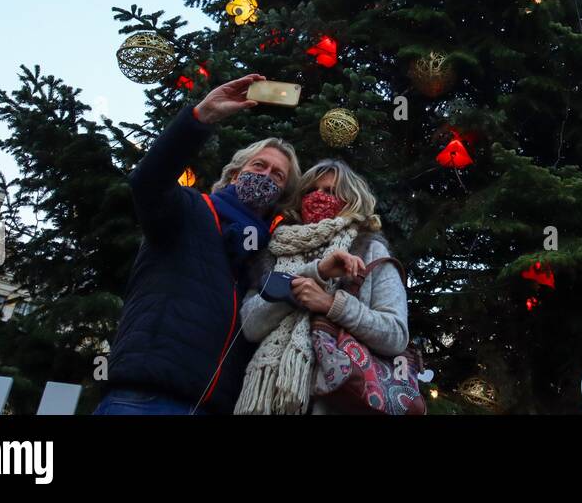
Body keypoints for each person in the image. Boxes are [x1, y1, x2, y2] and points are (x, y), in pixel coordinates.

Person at [94, 74, 301, 415]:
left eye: (277, 175)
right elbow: (148, 181)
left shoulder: (269, 254)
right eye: (258, 165)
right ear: (235, 174)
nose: (265, 176)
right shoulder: (189, 210)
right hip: (148, 399)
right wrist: (201, 117)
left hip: (217, 406)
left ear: (282, 193)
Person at [235, 158, 410, 414]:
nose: (318, 197)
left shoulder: (369, 249)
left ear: (350, 201)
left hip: (338, 401)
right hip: (269, 401)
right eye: (310, 191)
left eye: (330, 192)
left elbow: (395, 335)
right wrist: (312, 275)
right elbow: (250, 326)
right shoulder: (274, 251)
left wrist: (332, 304)